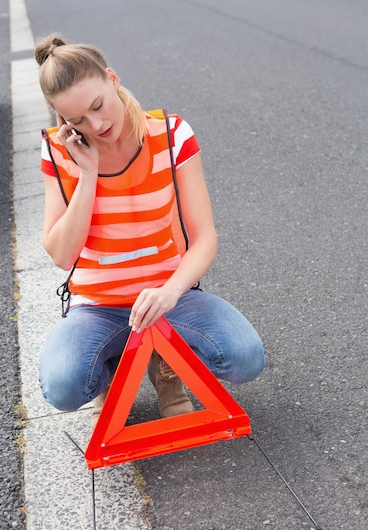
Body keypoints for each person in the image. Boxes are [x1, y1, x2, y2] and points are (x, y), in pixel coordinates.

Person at [35, 34, 265, 425]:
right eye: (78, 120)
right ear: (63, 121)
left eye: (98, 106)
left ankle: (165, 364)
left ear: (112, 79)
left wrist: (170, 291)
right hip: (98, 307)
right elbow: (61, 255)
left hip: (170, 295)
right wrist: (87, 173)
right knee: (64, 386)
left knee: (245, 358)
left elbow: (204, 237)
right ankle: (110, 370)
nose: (97, 124)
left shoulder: (172, 135)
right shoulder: (60, 152)